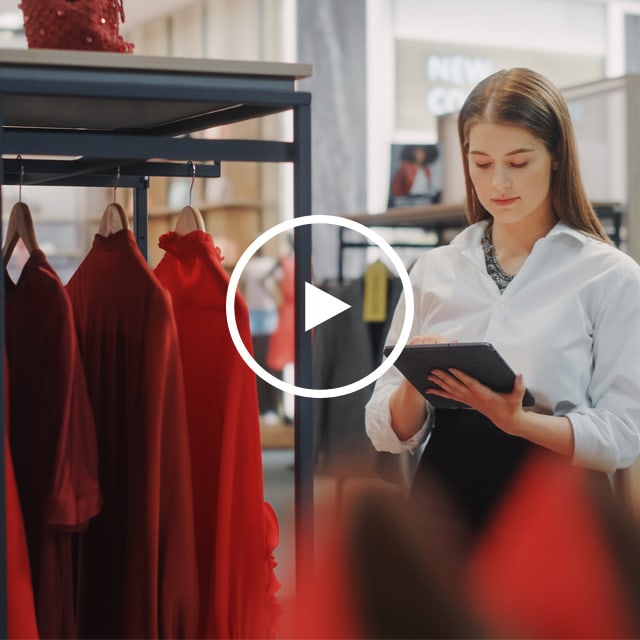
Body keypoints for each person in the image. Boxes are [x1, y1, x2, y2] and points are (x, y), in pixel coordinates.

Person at [365, 67, 640, 537]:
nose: (499, 183)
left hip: (557, 511)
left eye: (518, 162)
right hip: (444, 506)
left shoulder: (609, 275)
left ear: (555, 157)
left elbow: (622, 435)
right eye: (482, 162)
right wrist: (417, 380)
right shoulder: (434, 269)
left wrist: (518, 423)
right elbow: (384, 430)